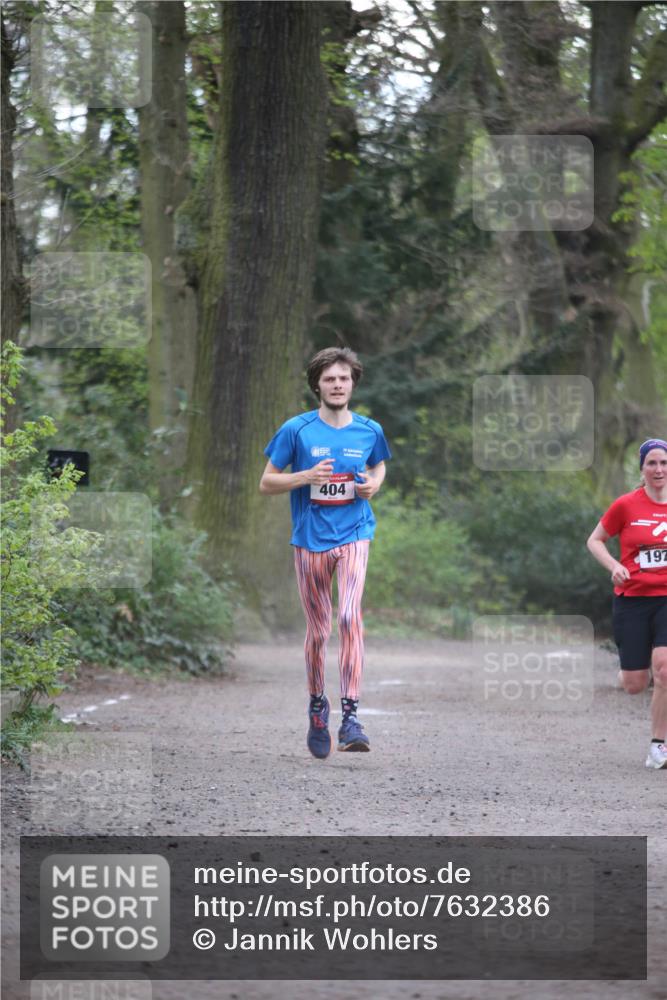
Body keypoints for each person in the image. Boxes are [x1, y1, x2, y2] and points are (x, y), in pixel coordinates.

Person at [259, 347, 391, 758]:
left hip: (354, 533)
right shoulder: (296, 431)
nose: (338, 385)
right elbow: (267, 482)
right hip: (310, 539)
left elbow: (379, 464)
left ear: (353, 384)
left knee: (350, 616)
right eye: (330, 379)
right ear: (317, 383)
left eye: (344, 379)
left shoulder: (369, 430)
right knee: (318, 632)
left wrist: (374, 483)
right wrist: (304, 476)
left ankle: (351, 716)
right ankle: (318, 704)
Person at [586, 438, 667, 770]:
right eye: (652, 463)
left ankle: (658, 747)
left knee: (664, 668)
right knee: (635, 684)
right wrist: (614, 566)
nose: (659, 470)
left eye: (664, 463)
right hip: (632, 600)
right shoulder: (626, 506)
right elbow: (595, 541)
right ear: (642, 468)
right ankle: (629, 671)